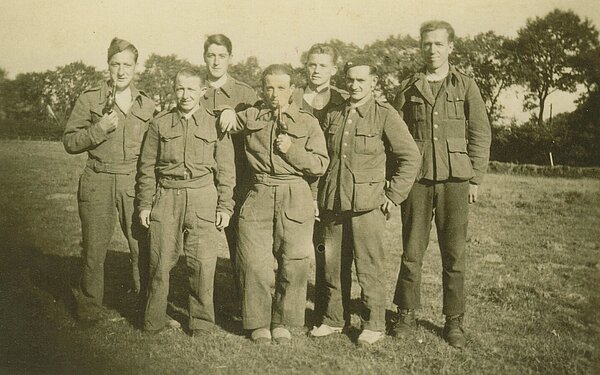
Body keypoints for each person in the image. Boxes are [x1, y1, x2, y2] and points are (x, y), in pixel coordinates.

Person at [391, 20, 491, 348]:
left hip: (455, 181)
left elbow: (479, 132)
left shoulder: (466, 85)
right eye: (426, 45)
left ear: (450, 47)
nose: (432, 50)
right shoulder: (408, 87)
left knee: (454, 255)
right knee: (411, 252)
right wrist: (397, 181)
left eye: (438, 44)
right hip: (417, 182)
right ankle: (406, 313)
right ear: (420, 48)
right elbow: (394, 136)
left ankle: (454, 321)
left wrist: (474, 177)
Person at [310, 57, 421, 346]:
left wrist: (393, 195)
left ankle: (373, 323)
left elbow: (411, 157)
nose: (355, 85)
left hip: (367, 205)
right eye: (351, 80)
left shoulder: (384, 114)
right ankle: (334, 319)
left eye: (362, 80)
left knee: (369, 266)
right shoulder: (333, 113)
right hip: (333, 201)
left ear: (374, 82)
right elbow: (322, 157)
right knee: (332, 264)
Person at [220, 64, 329, 345]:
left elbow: (319, 164)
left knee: (293, 261)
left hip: (295, 194)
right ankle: (258, 322)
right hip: (259, 192)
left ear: (292, 90)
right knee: (254, 261)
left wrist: (292, 150)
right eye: (269, 87)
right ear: (262, 89)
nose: (274, 93)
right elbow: (225, 121)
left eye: (281, 88)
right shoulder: (253, 115)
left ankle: (282, 321)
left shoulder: (308, 122)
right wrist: (228, 111)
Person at [63, 37, 155, 325]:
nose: (121, 70)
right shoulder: (91, 98)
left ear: (136, 67)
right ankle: (90, 310)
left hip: (133, 182)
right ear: (108, 65)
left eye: (127, 64)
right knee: (94, 248)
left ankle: (146, 309)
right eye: (115, 64)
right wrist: (98, 129)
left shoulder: (147, 103)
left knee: (142, 247)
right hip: (98, 179)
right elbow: (69, 141)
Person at [137, 68, 235, 335]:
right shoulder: (159, 123)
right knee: (159, 262)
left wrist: (225, 206)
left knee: (202, 264)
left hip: (203, 196)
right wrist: (145, 203)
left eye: (192, 89)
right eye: (180, 88)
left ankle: (202, 324)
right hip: (167, 196)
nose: (185, 95)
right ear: (173, 89)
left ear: (203, 92)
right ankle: (153, 320)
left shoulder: (216, 124)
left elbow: (226, 169)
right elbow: (146, 167)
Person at [200, 34, 258, 316]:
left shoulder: (245, 94)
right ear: (204, 58)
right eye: (211, 55)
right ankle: (203, 304)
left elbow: (262, 124)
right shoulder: (194, 91)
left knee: (242, 244)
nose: (216, 61)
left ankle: (246, 305)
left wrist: (236, 115)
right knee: (202, 243)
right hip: (202, 178)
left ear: (230, 59)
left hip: (240, 178)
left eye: (221, 56)